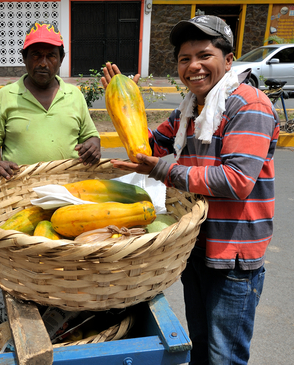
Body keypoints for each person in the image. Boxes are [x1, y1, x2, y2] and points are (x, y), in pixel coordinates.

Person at [102, 15, 279, 365]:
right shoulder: (189, 111)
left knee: (223, 354)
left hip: (233, 257)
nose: (193, 66)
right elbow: (149, 151)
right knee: (200, 344)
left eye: (204, 55)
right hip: (196, 246)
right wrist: (126, 104)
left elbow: (236, 181)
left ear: (228, 60)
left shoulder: (248, 105)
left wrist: (163, 169)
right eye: (185, 59)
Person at [0, 22, 101, 179]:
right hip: (19, 189)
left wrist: (92, 146)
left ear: (61, 58)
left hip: (69, 187)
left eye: (51, 55)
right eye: (36, 54)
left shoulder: (74, 95)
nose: (43, 63)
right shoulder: (6, 95)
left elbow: (90, 135)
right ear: (24, 57)